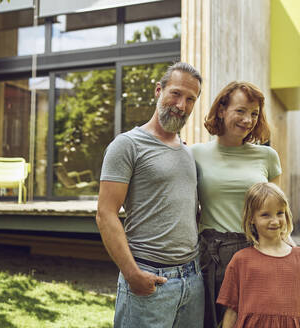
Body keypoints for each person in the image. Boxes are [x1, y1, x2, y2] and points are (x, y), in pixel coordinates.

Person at [190, 81, 300, 327]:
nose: (248, 120)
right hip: (213, 256)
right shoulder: (195, 155)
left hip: (259, 252)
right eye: (240, 111)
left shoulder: (267, 157)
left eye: (254, 114)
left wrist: (298, 252)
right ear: (221, 110)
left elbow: (277, 213)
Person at [96, 62, 204, 328]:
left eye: (191, 99)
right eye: (176, 94)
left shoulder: (188, 152)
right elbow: (105, 214)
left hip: (192, 278)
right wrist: (132, 274)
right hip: (149, 278)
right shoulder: (127, 145)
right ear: (158, 90)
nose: (181, 105)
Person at [217, 182, 300, 328]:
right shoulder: (240, 260)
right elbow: (231, 311)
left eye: (280, 213)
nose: (275, 221)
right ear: (251, 218)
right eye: (265, 215)